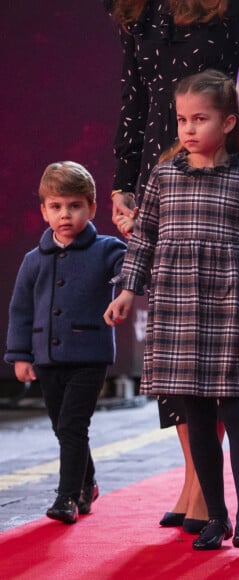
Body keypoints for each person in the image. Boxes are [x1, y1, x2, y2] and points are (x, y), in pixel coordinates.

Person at [104, 69, 239, 550]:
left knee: (238, 416)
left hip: (231, 310)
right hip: (175, 308)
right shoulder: (162, 177)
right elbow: (143, 241)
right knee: (194, 418)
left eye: (200, 118)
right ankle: (216, 517)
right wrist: (128, 291)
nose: (189, 129)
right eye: (181, 120)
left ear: (229, 122)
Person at [4, 162, 127, 524]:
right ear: (43, 211)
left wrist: (135, 236)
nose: (65, 215)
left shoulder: (108, 250)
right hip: (46, 356)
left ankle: (66, 498)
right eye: (56, 207)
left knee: (73, 426)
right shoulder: (33, 261)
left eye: (74, 206)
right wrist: (19, 355)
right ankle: (87, 483)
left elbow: (137, 273)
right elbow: (21, 310)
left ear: (91, 208)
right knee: (63, 427)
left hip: (90, 356)